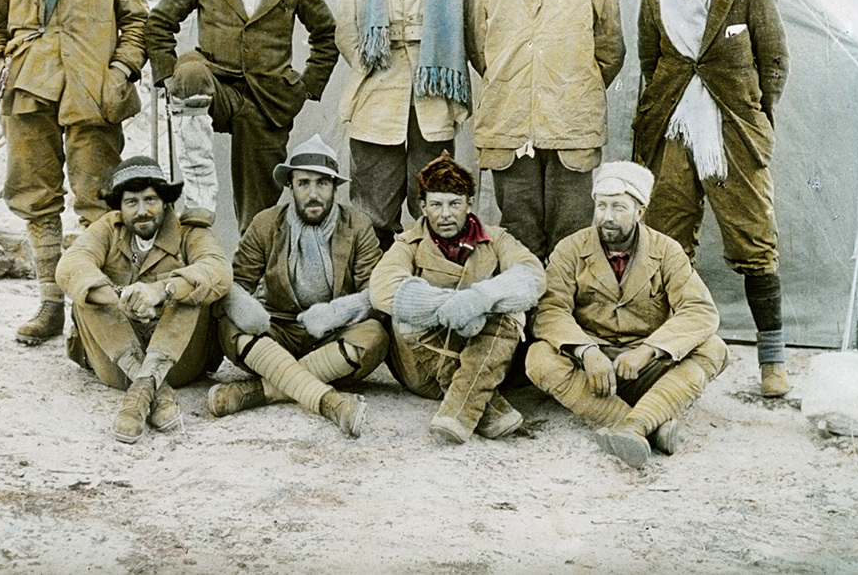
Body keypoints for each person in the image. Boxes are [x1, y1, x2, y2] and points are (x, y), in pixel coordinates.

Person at [0, 0, 148, 345]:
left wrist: (119, 71)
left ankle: (91, 314)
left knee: (97, 200)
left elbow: (137, 22)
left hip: (94, 93)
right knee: (36, 198)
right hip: (29, 90)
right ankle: (51, 306)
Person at [632, 0, 790, 397]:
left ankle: (773, 362)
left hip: (733, 133)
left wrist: (754, 117)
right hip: (673, 131)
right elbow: (651, 65)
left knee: (754, 237)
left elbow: (775, 62)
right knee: (667, 241)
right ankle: (674, 352)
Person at [145, 0, 338, 234]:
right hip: (214, 85)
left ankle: (255, 276)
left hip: (268, 100)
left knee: (259, 209)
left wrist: (306, 86)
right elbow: (159, 22)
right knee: (189, 73)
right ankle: (200, 196)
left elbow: (326, 34)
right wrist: (166, 79)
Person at [526, 161, 729, 469]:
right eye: (602, 206)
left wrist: (648, 351)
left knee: (714, 348)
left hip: (646, 366)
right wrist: (586, 351)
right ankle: (644, 424)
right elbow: (551, 310)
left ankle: (635, 426)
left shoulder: (667, 251)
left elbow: (699, 310)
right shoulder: (570, 249)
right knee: (538, 357)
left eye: (619, 207)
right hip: (593, 369)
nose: (607, 217)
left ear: (640, 211)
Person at [470, 0, 625, 264]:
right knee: (518, 229)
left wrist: (570, 87)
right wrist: (517, 86)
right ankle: (524, 318)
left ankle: (562, 316)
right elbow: (479, 53)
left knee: (570, 231)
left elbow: (610, 52)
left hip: (570, 125)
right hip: (509, 123)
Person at [336, 0, 479, 251]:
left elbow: (473, 26)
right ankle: (371, 286)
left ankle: (430, 276)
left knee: (434, 199)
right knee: (371, 206)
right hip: (377, 92)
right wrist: (373, 63)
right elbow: (346, 27)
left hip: (434, 92)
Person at [207, 135, 388, 437]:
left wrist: (337, 312)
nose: (313, 194)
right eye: (304, 183)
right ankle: (331, 402)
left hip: (333, 335)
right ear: (290, 186)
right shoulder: (266, 223)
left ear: (335, 187)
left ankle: (259, 390)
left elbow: (376, 292)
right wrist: (248, 311)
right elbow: (237, 284)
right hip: (278, 331)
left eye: (323, 183)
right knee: (230, 326)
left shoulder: (357, 225)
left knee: (375, 336)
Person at [369, 153, 544, 443]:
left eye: (454, 203)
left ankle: (458, 414)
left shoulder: (497, 239)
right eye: (436, 205)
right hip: (424, 367)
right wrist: (449, 306)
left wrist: (479, 299)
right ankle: (486, 408)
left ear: (469, 204)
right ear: (423, 207)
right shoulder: (408, 243)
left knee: (509, 317)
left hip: (482, 352)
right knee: (407, 314)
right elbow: (382, 288)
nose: (445, 214)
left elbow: (532, 276)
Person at [55, 157, 231, 444]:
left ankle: (138, 397)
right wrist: (119, 296)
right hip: (117, 361)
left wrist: (161, 291)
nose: (142, 211)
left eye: (150, 199)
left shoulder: (190, 232)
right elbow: (71, 264)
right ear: (120, 208)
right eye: (131, 202)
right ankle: (152, 390)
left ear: (165, 202)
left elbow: (218, 270)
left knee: (192, 291)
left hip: (179, 362)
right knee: (86, 294)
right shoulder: (108, 229)